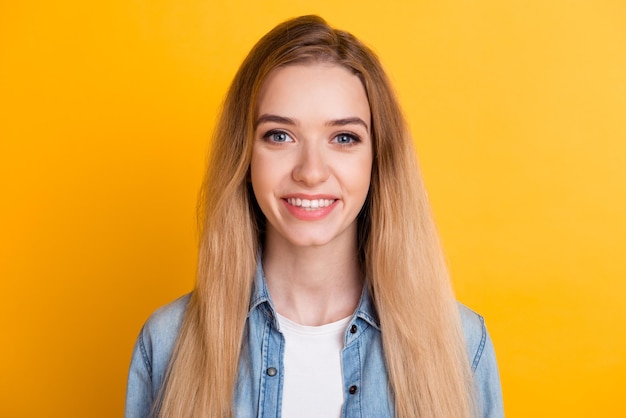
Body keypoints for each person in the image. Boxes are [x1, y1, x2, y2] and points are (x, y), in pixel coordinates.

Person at [125, 15, 503, 418]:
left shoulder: (461, 344)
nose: (311, 171)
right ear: (245, 156)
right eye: (279, 135)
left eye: (344, 138)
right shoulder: (166, 344)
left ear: (378, 160)